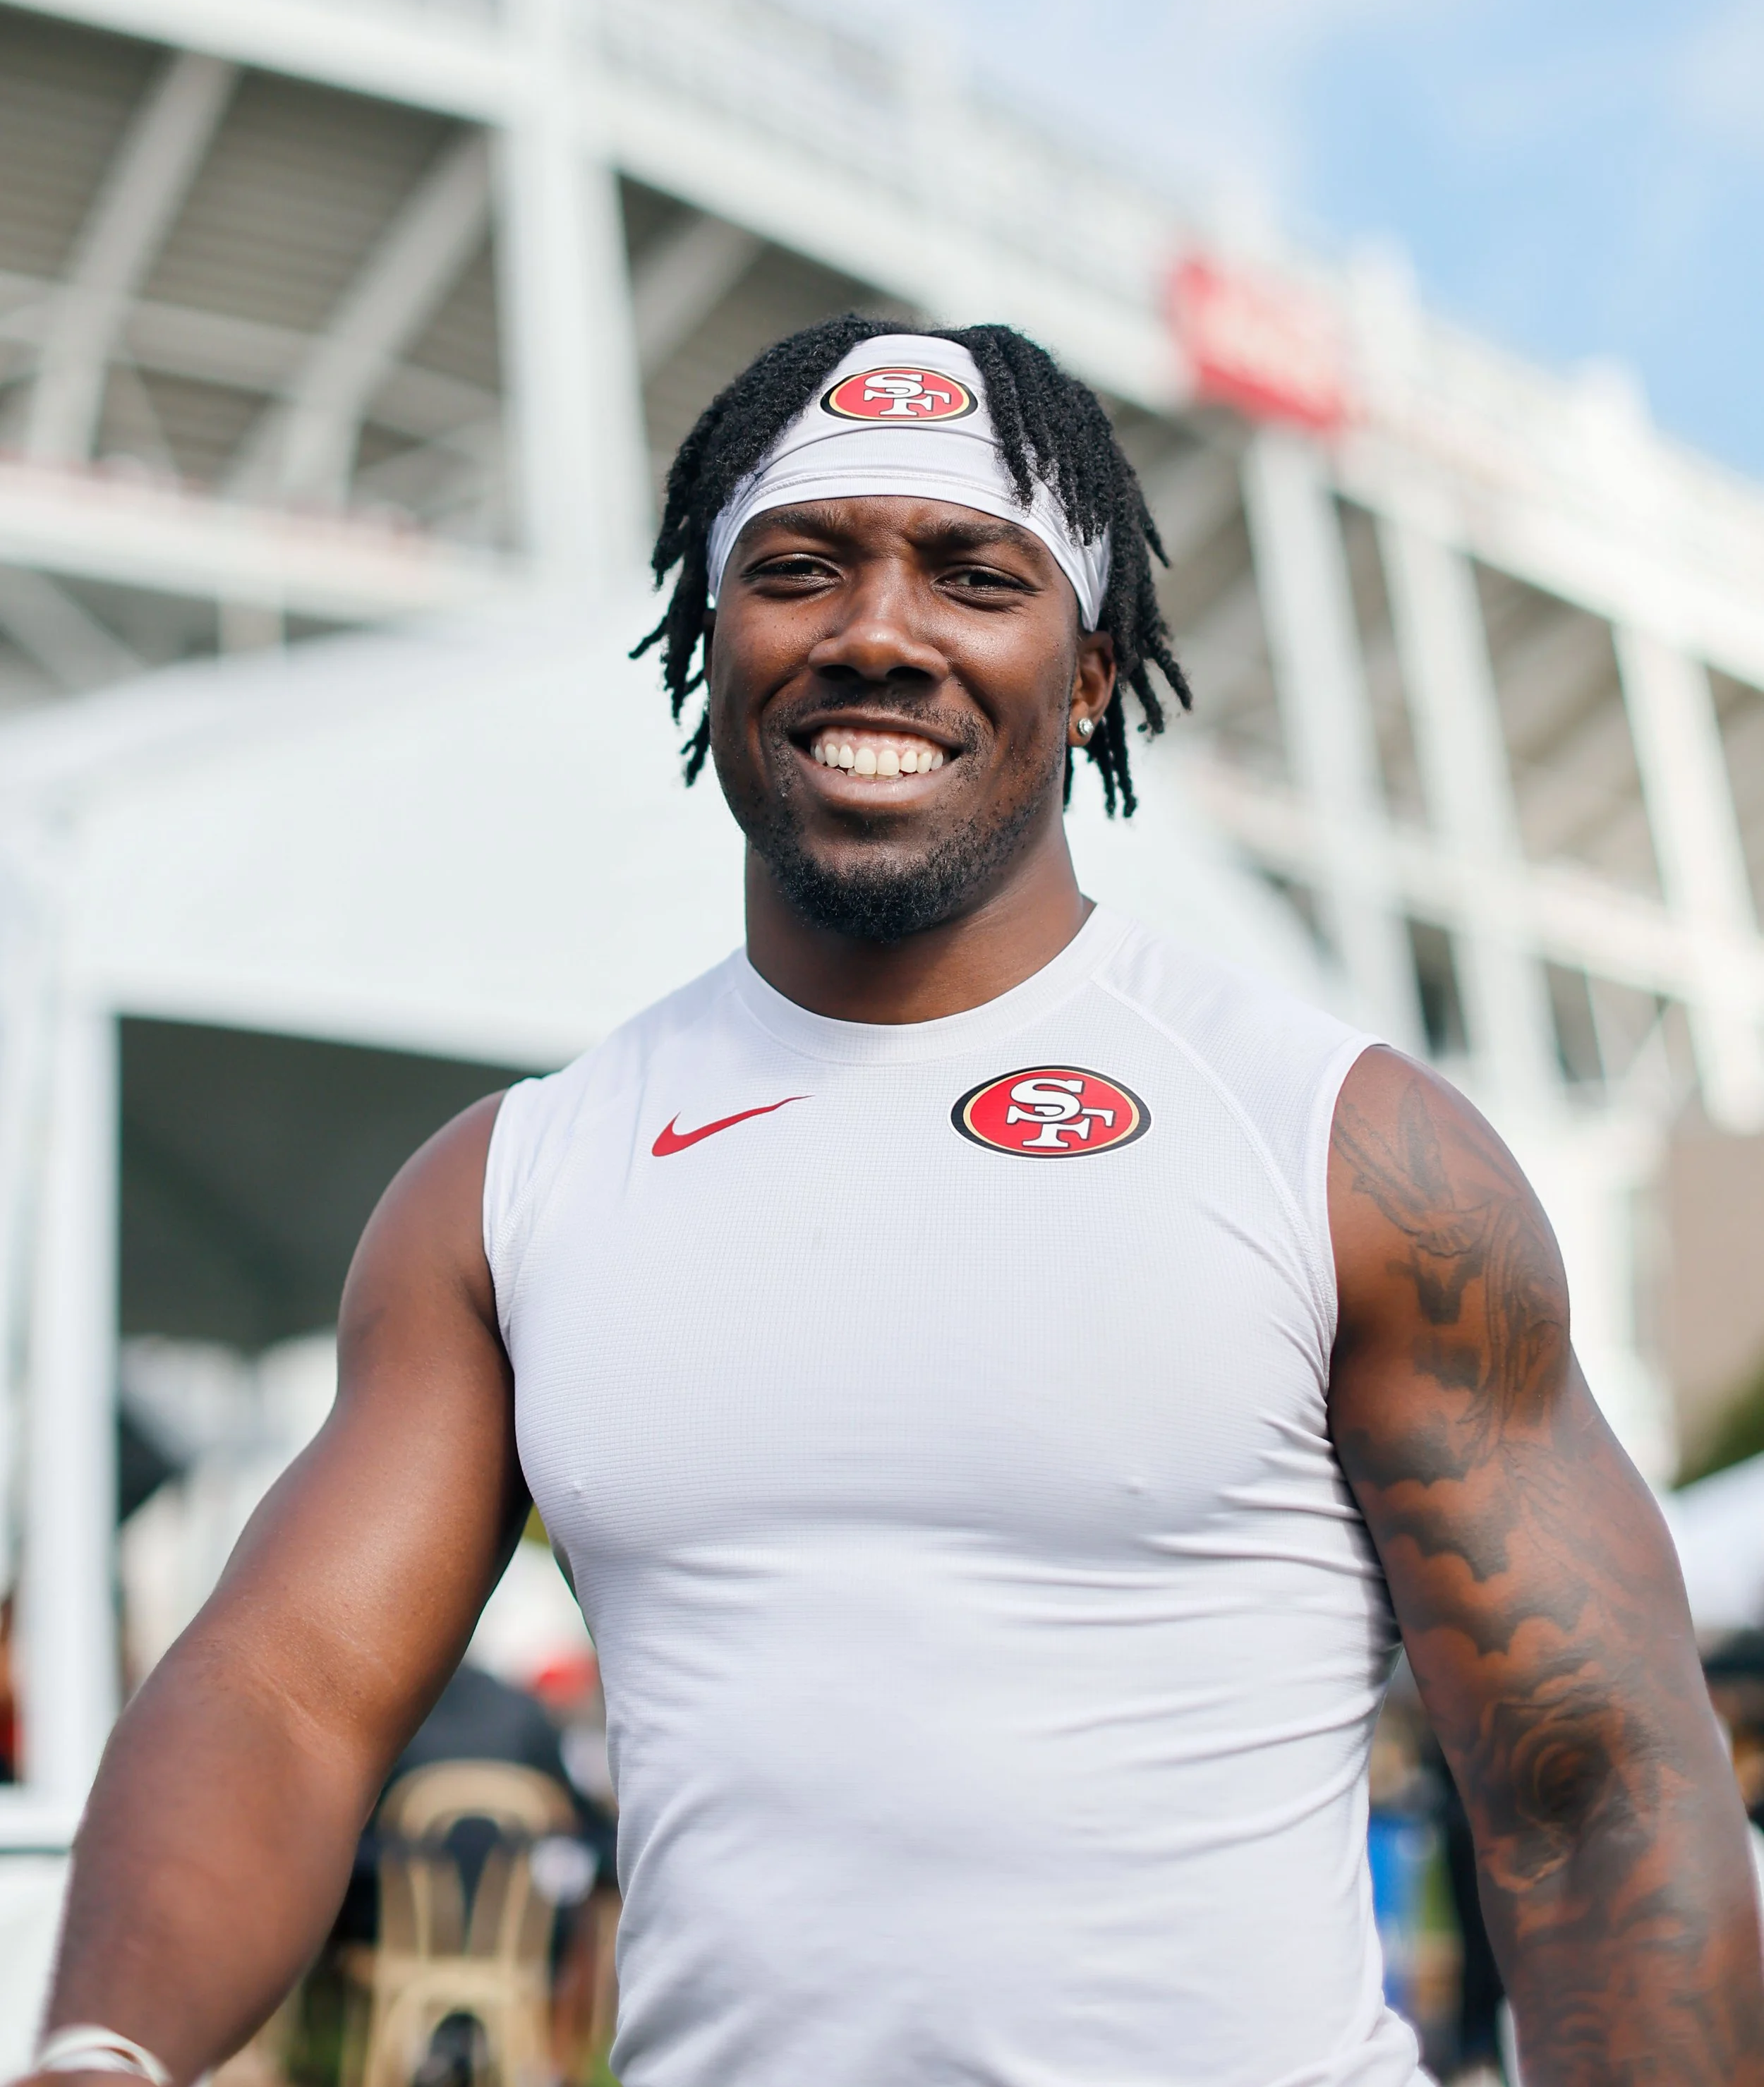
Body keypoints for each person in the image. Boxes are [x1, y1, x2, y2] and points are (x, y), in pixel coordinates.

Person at [28, 321, 1764, 2087]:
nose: (875, 632)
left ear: (1087, 672)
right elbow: (286, 1693)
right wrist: (102, 2052)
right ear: (710, 647)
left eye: (969, 575)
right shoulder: (515, 1186)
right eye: (797, 570)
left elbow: (1592, 1774)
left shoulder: (1339, 1145)